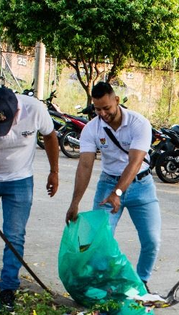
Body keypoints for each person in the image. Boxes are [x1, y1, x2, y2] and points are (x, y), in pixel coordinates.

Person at [0, 87, 59, 310]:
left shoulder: (35, 109)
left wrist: (54, 171)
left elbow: (50, 136)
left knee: (14, 235)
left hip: (20, 179)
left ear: (16, 112)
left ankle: (8, 288)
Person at [66, 82, 160, 288]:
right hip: (107, 184)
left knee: (151, 241)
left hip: (141, 185)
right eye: (97, 109)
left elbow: (135, 163)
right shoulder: (92, 129)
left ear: (116, 100)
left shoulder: (139, 123)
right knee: (100, 240)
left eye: (106, 108)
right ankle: (103, 284)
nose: (102, 113)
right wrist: (75, 202)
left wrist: (118, 192)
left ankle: (141, 284)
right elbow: (84, 166)